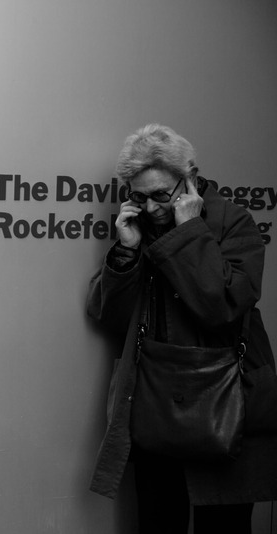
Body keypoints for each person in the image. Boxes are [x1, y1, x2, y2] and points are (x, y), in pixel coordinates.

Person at [87, 124, 277, 533]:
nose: (152, 208)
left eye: (161, 195)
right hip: (156, 399)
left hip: (224, 396)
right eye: (139, 196)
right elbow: (110, 315)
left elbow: (224, 306)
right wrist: (125, 251)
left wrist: (190, 231)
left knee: (224, 524)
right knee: (158, 519)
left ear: (189, 178)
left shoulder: (232, 221)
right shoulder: (138, 227)